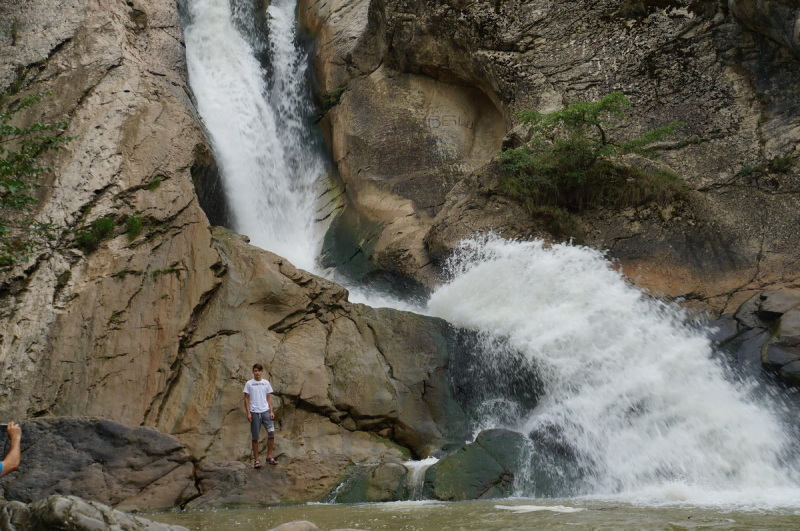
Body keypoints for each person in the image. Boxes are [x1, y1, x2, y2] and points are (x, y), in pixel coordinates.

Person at [244, 364, 276, 468]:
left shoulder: (266, 383)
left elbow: (269, 397)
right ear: (253, 372)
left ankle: (269, 457)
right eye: (255, 371)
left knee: (271, 434)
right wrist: (248, 412)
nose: (257, 373)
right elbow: (246, 398)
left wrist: (271, 411)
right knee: (255, 437)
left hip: (266, 411)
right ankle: (257, 460)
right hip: (254, 412)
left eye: (258, 371)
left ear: (262, 372)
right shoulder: (249, 383)